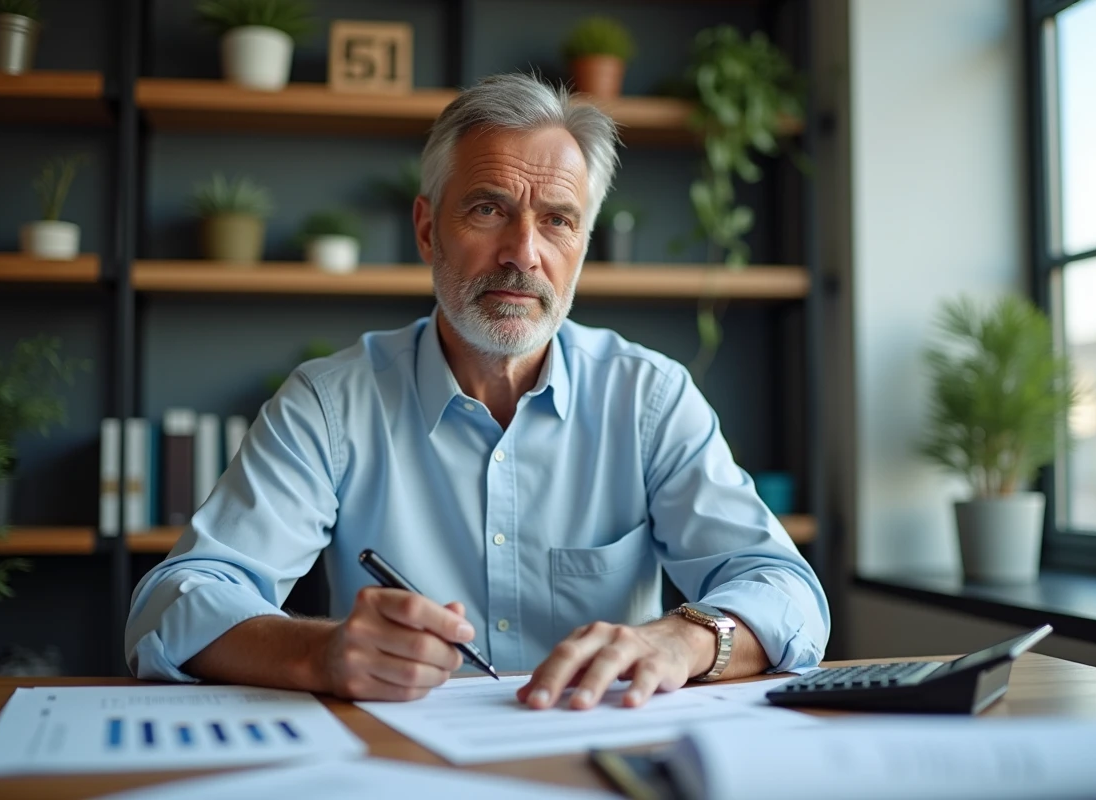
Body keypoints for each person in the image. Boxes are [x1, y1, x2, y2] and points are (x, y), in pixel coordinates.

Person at [125, 73, 829, 711]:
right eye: (489, 210)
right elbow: (172, 604)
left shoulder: (649, 398)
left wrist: (686, 641)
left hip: (597, 755)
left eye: (557, 219)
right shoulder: (331, 404)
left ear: (582, 243)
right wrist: (318, 653)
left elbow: (787, 591)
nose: (524, 253)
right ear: (428, 231)